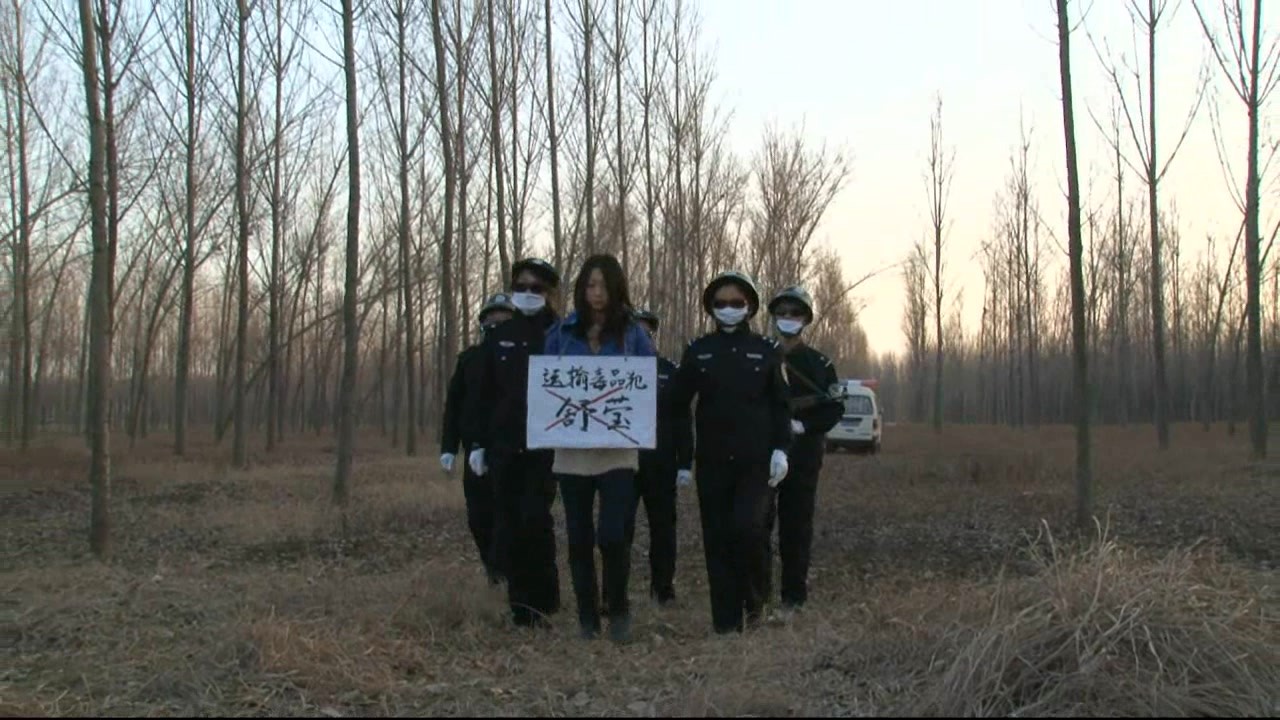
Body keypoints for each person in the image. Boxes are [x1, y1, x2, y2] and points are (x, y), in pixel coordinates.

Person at [670, 271, 793, 634]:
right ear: (711, 308)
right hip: (712, 462)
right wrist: (683, 460)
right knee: (718, 539)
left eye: (736, 302)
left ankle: (755, 605)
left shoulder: (767, 350)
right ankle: (725, 622)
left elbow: (781, 406)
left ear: (749, 306)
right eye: (720, 303)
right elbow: (677, 405)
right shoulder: (698, 351)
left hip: (756, 462)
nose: (728, 308)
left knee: (749, 528)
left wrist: (781, 450)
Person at [543, 254, 656, 643]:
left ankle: (618, 609)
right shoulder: (561, 334)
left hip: (618, 449)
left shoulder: (634, 335)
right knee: (578, 537)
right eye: (590, 285)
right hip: (572, 450)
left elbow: (649, 384)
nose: (597, 294)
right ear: (581, 289)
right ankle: (587, 618)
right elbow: (545, 384)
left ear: (617, 289)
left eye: (604, 286)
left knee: (612, 533)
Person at [463, 258, 563, 629]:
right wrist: (477, 443)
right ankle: (521, 608)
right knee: (508, 522)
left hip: (545, 446)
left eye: (536, 288)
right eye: (521, 287)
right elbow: (482, 394)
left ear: (548, 293)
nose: (528, 293)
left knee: (535, 519)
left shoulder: (560, 334)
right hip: (503, 446)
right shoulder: (499, 336)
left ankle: (545, 602)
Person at [764, 285, 844, 616]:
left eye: (795, 313)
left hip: (804, 455)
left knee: (796, 527)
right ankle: (758, 594)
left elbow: (834, 407)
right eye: (782, 313)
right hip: (764, 452)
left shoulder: (819, 364)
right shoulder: (762, 356)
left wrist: (805, 426)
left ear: (806, 319)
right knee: (758, 523)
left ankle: (794, 597)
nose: (788, 318)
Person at [439, 292, 516, 586]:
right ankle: (493, 568)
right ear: (483, 323)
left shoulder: (524, 358)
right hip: (474, 453)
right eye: (492, 319)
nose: (497, 324)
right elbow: (454, 405)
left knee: (507, 514)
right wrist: (449, 447)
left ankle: (504, 571)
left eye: (504, 319)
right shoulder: (469, 359)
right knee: (478, 516)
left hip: (511, 452)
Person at [622, 308, 690, 607]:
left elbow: (682, 418)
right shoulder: (612, 369)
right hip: (621, 461)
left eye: (646, 332)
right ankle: (614, 591)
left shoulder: (669, 371)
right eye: (634, 331)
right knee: (619, 528)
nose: (641, 337)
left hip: (660, 463)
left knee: (663, 528)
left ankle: (663, 589)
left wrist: (685, 462)